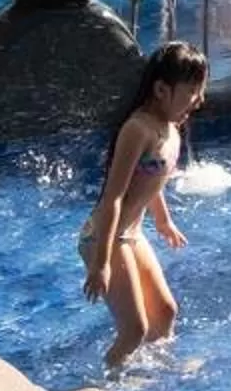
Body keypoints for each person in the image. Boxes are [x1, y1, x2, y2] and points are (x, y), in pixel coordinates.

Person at [81, 40, 206, 367]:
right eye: (193, 91)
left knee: (165, 313)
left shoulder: (171, 127)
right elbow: (113, 197)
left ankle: (159, 371)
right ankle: (110, 382)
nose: (200, 99)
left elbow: (152, 178)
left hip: (131, 235)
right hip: (104, 236)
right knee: (133, 330)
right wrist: (101, 263)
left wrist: (163, 221)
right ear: (162, 90)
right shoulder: (137, 129)